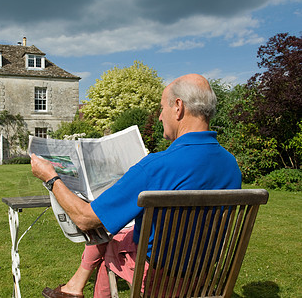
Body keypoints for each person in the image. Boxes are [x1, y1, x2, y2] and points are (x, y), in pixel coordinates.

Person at [31, 74, 242, 298]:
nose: (160, 117)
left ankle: (75, 288)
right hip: (200, 273)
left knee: (109, 244)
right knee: (121, 236)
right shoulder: (231, 165)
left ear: (178, 107)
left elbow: (85, 219)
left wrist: (51, 178)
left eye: (162, 108)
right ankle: (73, 288)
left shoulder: (157, 167)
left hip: (158, 276)